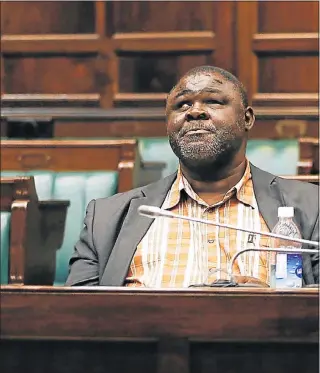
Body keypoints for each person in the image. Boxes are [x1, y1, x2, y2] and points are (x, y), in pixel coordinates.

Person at [66, 66, 319, 287]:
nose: (195, 112)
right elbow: (78, 317)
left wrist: (271, 305)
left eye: (214, 102)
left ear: (247, 118)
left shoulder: (311, 207)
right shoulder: (106, 218)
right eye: (182, 105)